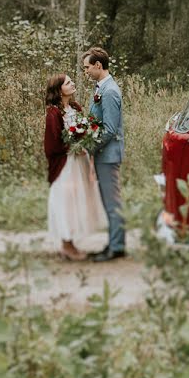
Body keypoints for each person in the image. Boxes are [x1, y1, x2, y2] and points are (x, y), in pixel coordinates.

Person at [43, 74, 107, 261]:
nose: (72, 84)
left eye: (71, 81)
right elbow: (52, 144)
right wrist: (71, 147)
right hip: (66, 165)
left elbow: (85, 128)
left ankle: (71, 241)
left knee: (80, 199)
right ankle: (66, 244)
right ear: (59, 89)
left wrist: (87, 139)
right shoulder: (53, 113)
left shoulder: (76, 108)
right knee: (66, 201)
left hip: (80, 162)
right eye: (68, 83)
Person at [83, 47, 127, 261]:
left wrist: (89, 147)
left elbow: (109, 129)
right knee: (109, 202)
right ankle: (112, 243)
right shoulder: (102, 88)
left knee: (112, 202)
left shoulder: (109, 91)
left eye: (87, 67)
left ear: (98, 65)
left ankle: (117, 247)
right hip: (104, 155)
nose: (86, 71)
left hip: (108, 156)